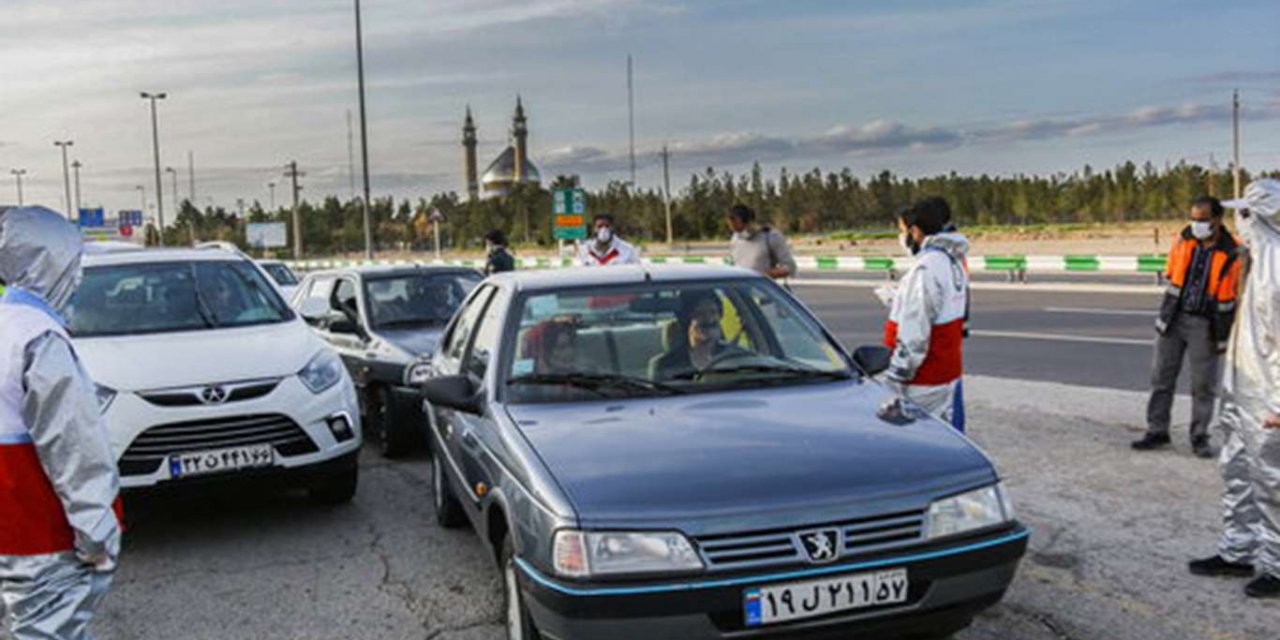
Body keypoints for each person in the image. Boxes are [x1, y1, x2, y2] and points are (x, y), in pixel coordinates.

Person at [0, 206, 124, 639]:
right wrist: (96, 531)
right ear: (52, 261)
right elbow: (73, 445)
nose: (78, 275)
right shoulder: (38, 337)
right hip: (39, 532)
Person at [1188, 179, 1280, 598]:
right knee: (1238, 469)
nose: (1236, 221)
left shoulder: (1276, 265)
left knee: (1273, 480)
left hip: (1268, 397)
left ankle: (1277, 564)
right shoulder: (1256, 259)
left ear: (1261, 217)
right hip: (1242, 387)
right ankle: (1238, 548)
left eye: (1244, 213)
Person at [1132, 196, 1242, 458]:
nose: (1196, 224)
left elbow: (1237, 290)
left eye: (1202, 219)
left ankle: (1199, 436)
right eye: (1193, 218)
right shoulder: (1183, 240)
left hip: (1206, 324)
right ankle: (1157, 430)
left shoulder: (1233, 251)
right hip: (1174, 318)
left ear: (1217, 220)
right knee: (1161, 378)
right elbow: (1172, 273)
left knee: (1203, 385)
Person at [882, 197, 969, 428]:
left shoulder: (925, 269)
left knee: (918, 441)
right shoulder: (952, 261)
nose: (901, 238)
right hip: (945, 373)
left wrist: (894, 378)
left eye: (902, 231)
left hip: (923, 380)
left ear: (916, 231)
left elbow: (915, 335)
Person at [649, 290, 746, 380]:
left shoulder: (736, 357)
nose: (709, 319)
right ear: (687, 321)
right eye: (700, 313)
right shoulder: (665, 366)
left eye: (713, 312)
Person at [728, 204, 798, 280]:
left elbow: (790, 268)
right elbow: (733, 264)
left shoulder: (770, 236)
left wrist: (763, 275)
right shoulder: (735, 238)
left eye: (741, 226)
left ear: (750, 221)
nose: (741, 233)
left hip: (761, 288)